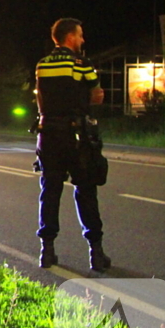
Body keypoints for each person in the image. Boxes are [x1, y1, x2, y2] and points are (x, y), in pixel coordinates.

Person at [34, 18, 111, 271]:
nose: (82, 40)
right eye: (80, 35)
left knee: (50, 191)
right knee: (86, 190)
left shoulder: (42, 65)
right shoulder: (81, 63)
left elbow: (41, 96)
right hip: (76, 136)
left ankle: (47, 251)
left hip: (48, 134)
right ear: (69, 37)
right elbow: (97, 94)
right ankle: (96, 253)